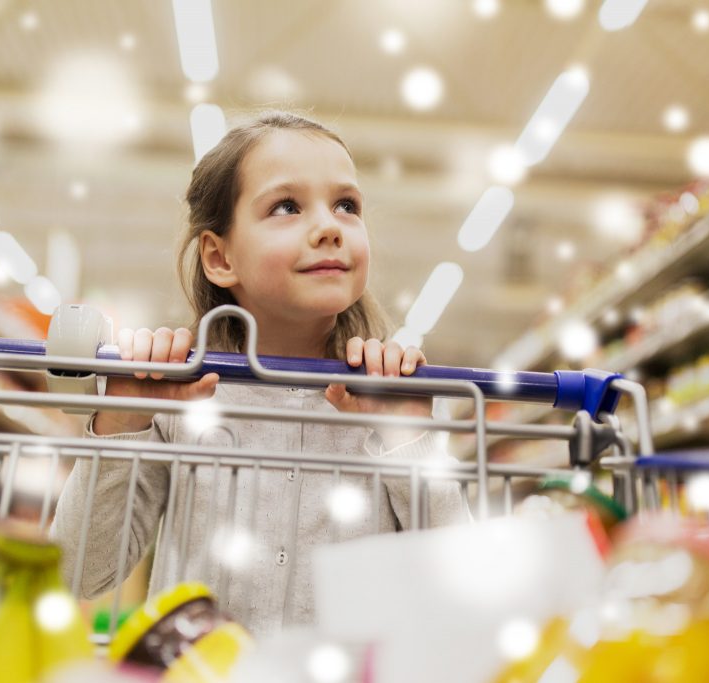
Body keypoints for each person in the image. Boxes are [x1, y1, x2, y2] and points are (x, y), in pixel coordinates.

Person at [51, 110, 468, 636]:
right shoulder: (180, 398)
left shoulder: (393, 398)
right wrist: (124, 422)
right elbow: (75, 572)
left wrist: (408, 442)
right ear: (219, 256)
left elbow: (459, 583)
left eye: (347, 206)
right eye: (287, 206)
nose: (329, 229)